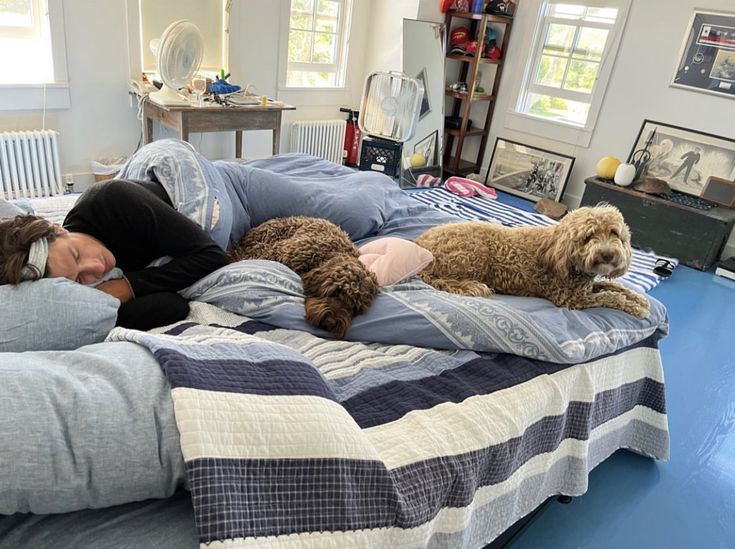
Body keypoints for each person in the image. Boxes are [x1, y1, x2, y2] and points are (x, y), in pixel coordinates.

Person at [0, 179, 229, 330]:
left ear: (57, 228)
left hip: (228, 188)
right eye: (80, 279)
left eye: (76, 255)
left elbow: (213, 256)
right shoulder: (75, 292)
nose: (97, 269)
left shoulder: (112, 201)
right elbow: (172, 305)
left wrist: (128, 286)